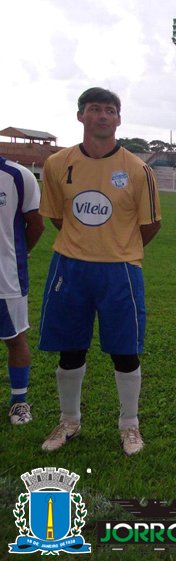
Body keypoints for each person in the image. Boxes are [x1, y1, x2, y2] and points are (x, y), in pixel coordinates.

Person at [38, 87, 161, 456]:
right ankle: (69, 420)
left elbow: (150, 226)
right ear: (81, 116)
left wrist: (115, 246)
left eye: (110, 110)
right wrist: (83, 244)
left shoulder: (139, 170)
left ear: (119, 119)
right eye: (95, 109)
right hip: (70, 267)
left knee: (125, 351)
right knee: (70, 348)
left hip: (120, 270)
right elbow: (58, 216)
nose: (103, 116)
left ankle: (129, 425)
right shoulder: (57, 164)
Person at [1, 157, 44, 424]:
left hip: (6, 278)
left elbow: (36, 223)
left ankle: (19, 401)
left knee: (15, 338)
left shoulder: (18, 175)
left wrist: (21, 253)